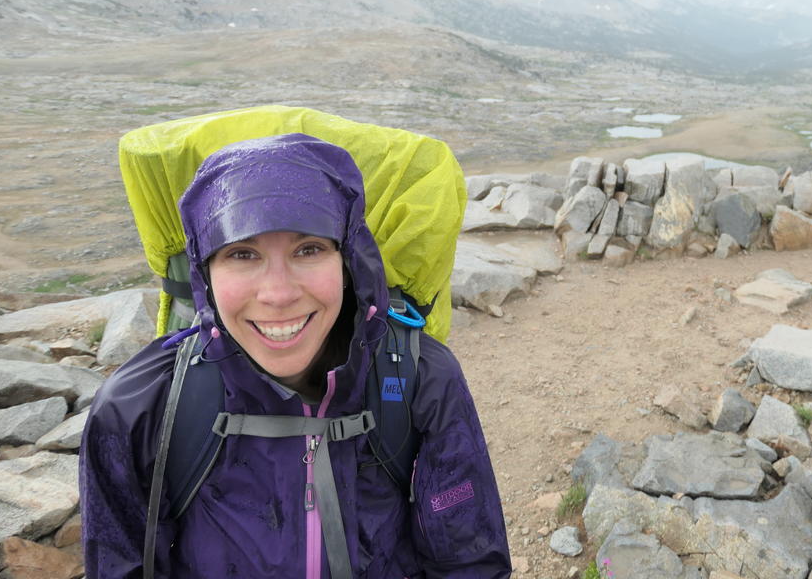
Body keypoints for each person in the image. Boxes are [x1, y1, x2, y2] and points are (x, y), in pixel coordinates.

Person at [80, 133, 512, 578]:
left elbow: (468, 560)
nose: (279, 294)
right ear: (204, 275)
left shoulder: (420, 379)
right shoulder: (139, 407)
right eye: (241, 253)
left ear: (349, 262)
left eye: (309, 249)